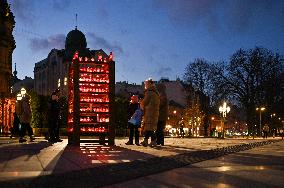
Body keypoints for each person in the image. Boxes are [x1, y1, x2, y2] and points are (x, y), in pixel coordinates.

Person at [140, 78, 160, 147]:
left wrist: (141, 103)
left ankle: (153, 141)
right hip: (154, 112)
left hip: (149, 112)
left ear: (150, 84)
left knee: (149, 128)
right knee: (149, 127)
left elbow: (145, 102)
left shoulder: (150, 92)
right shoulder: (156, 93)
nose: (145, 85)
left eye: (146, 84)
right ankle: (145, 141)